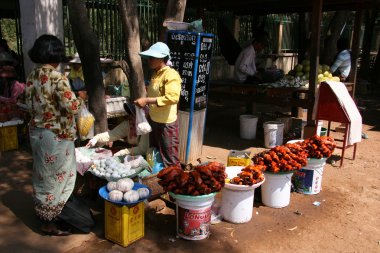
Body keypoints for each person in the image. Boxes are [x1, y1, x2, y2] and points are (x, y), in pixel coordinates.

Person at [25, 34, 83, 236]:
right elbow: (72, 107)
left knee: (43, 175)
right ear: (56, 55)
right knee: (59, 178)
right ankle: (50, 222)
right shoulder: (58, 78)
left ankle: (44, 214)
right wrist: (81, 98)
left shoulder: (32, 75)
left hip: (37, 133)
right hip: (57, 136)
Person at [134, 42, 181, 167]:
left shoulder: (171, 75)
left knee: (169, 158)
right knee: (155, 154)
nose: (149, 60)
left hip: (166, 123)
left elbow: (173, 97)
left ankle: (175, 182)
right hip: (154, 120)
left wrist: (147, 100)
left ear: (161, 58)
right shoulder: (155, 74)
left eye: (152, 57)